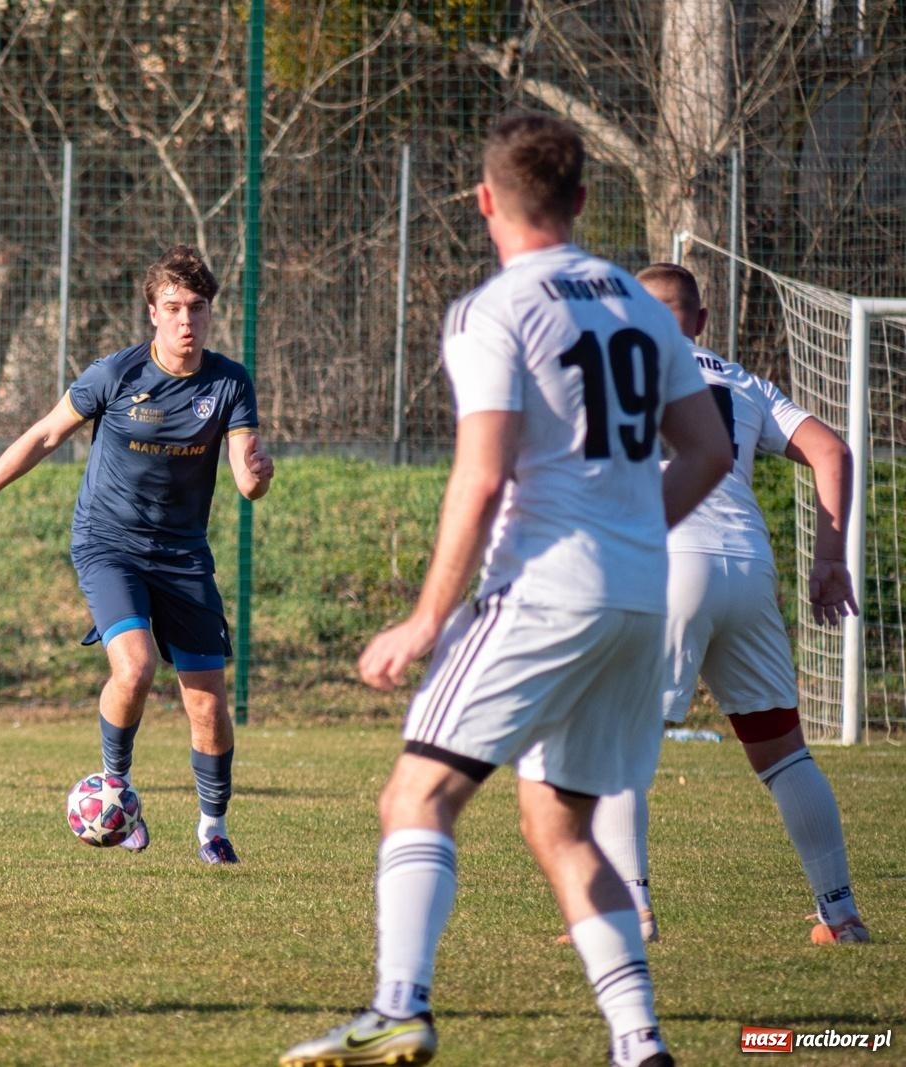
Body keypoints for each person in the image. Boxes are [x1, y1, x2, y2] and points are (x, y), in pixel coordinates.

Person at [279, 113, 732, 1067]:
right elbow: (710, 450)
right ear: (580, 201)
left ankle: (399, 1004)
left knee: (418, 793)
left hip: (542, 591)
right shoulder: (645, 306)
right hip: (640, 598)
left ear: (485, 201)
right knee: (560, 823)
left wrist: (425, 616)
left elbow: (481, 477)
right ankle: (640, 1044)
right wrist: (635, 532)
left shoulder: (498, 308)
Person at [0, 245, 273, 864]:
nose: (187, 321)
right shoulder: (116, 374)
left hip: (183, 556)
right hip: (109, 545)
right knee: (133, 669)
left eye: (198, 309)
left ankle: (212, 829)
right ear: (152, 313)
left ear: (211, 314)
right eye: (174, 307)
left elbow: (245, 476)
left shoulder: (230, 382)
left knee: (207, 702)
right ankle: (115, 785)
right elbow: (45, 434)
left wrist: (259, 477)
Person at [581, 262, 867, 946]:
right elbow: (833, 451)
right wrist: (829, 559)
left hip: (666, 558)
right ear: (702, 321)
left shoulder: (611, 367)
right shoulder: (743, 381)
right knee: (783, 753)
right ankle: (841, 914)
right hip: (747, 564)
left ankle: (631, 913)